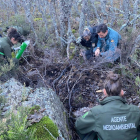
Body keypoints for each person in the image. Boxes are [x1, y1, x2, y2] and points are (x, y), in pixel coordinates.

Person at [75, 72, 140, 140]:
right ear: (122, 92)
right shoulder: (135, 110)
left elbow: (78, 125)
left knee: (92, 130)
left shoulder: (96, 112)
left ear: (104, 92)